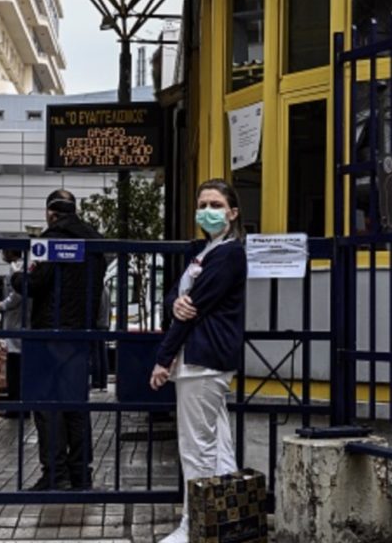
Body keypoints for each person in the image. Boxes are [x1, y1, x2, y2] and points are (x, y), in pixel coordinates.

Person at [150, 179, 247, 543]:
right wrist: (175, 300)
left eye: (217, 204)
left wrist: (163, 359)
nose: (208, 210)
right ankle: (224, 525)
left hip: (203, 361)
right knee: (218, 448)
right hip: (203, 361)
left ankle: (195, 528)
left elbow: (191, 311)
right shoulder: (206, 252)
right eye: (203, 202)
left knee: (197, 451)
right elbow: (179, 296)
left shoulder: (228, 254)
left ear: (233, 212)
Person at [15, 189, 106, 491]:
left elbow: (37, 283)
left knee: (47, 406)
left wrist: (17, 276)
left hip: (49, 333)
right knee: (75, 405)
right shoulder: (95, 242)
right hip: (80, 334)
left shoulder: (51, 238)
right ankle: (81, 474)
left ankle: (55, 474)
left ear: (51, 213)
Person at [0, 250, 26, 414]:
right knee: (15, 365)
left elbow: (17, 294)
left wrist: (2, 305)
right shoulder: (20, 266)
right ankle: (18, 404)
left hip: (16, 324)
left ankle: (16, 406)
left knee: (15, 367)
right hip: (17, 323)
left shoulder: (18, 268)